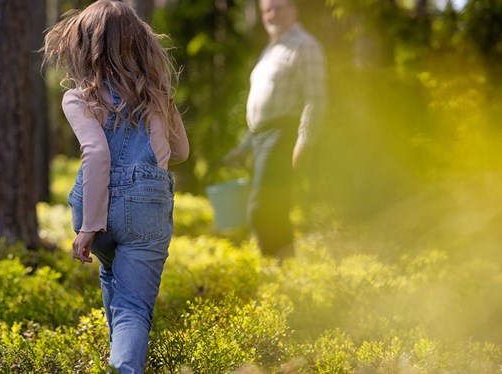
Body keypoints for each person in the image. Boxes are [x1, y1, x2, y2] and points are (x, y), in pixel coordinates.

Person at [43, 1, 189, 373]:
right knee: (133, 309)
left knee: (112, 280)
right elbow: (182, 152)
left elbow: (97, 154)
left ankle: (119, 361)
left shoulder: (78, 98)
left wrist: (89, 226)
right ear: (139, 44)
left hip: (95, 207)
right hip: (146, 206)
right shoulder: (157, 94)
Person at [225, 0, 326, 259]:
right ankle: (285, 272)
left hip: (283, 135)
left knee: (262, 208)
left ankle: (274, 267)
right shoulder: (271, 50)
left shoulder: (305, 45)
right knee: (276, 208)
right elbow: (263, 111)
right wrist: (244, 147)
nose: (272, 14)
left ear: (293, 10)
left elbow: (316, 99)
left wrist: (305, 141)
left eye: (278, 8)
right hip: (261, 137)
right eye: (267, 10)